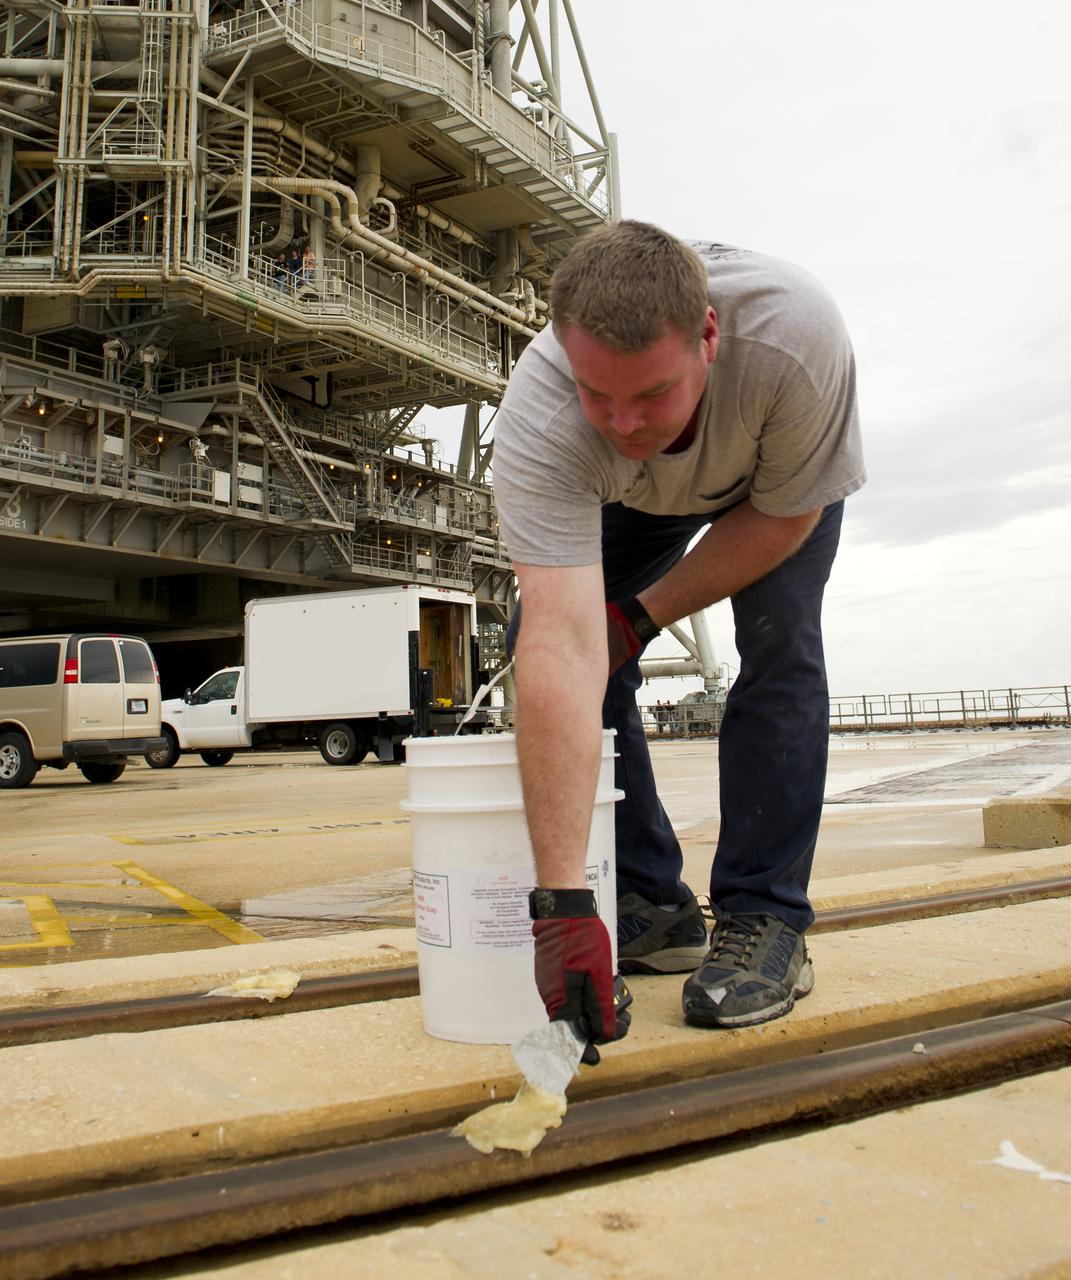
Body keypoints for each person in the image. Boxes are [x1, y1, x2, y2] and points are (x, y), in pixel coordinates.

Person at [494, 222, 864, 1052]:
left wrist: (644, 613)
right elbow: (557, 642)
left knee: (780, 644)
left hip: (770, 489)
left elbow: (784, 519)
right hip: (632, 502)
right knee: (549, 635)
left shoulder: (793, 341)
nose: (623, 422)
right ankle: (646, 902)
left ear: (707, 336)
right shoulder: (545, 413)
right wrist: (560, 906)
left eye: (651, 393)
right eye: (599, 395)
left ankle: (763, 915)